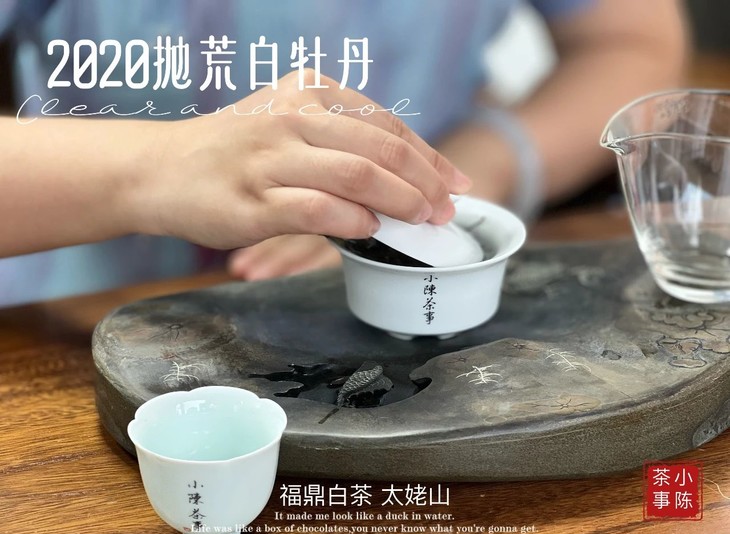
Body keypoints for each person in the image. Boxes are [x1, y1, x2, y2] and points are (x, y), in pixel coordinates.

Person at [0, 0, 687, 306]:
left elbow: (632, 38)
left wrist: (475, 165)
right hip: (78, 311)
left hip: (422, 293)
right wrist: (158, 168)